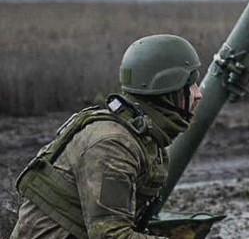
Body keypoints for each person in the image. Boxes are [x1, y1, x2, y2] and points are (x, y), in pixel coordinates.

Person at [11, 34, 203, 239]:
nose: (199, 94)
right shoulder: (113, 144)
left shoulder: (144, 138)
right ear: (168, 88)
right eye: (190, 85)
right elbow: (111, 236)